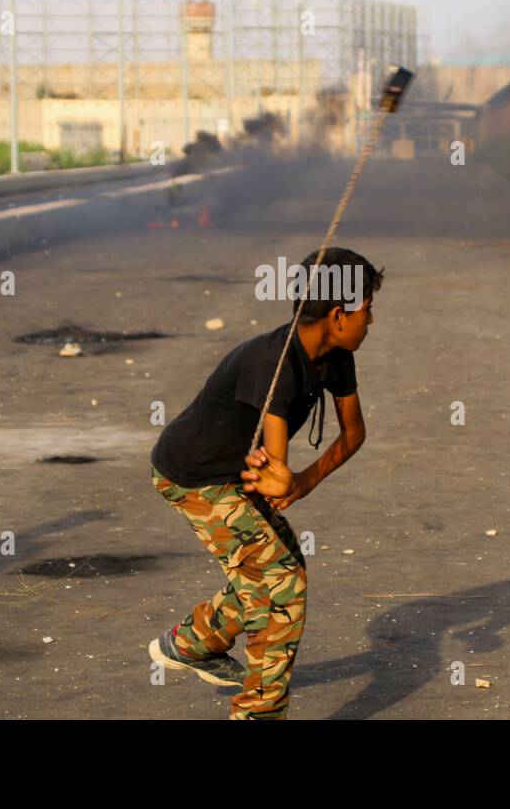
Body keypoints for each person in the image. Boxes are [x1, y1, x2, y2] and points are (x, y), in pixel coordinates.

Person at [147, 246, 381, 719]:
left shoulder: (336, 355)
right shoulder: (272, 363)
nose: (372, 321)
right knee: (281, 583)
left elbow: (353, 433)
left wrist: (304, 482)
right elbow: (275, 464)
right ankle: (258, 714)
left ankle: (191, 643)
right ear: (339, 314)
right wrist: (284, 478)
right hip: (195, 477)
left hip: (235, 477)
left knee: (275, 567)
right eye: (368, 310)